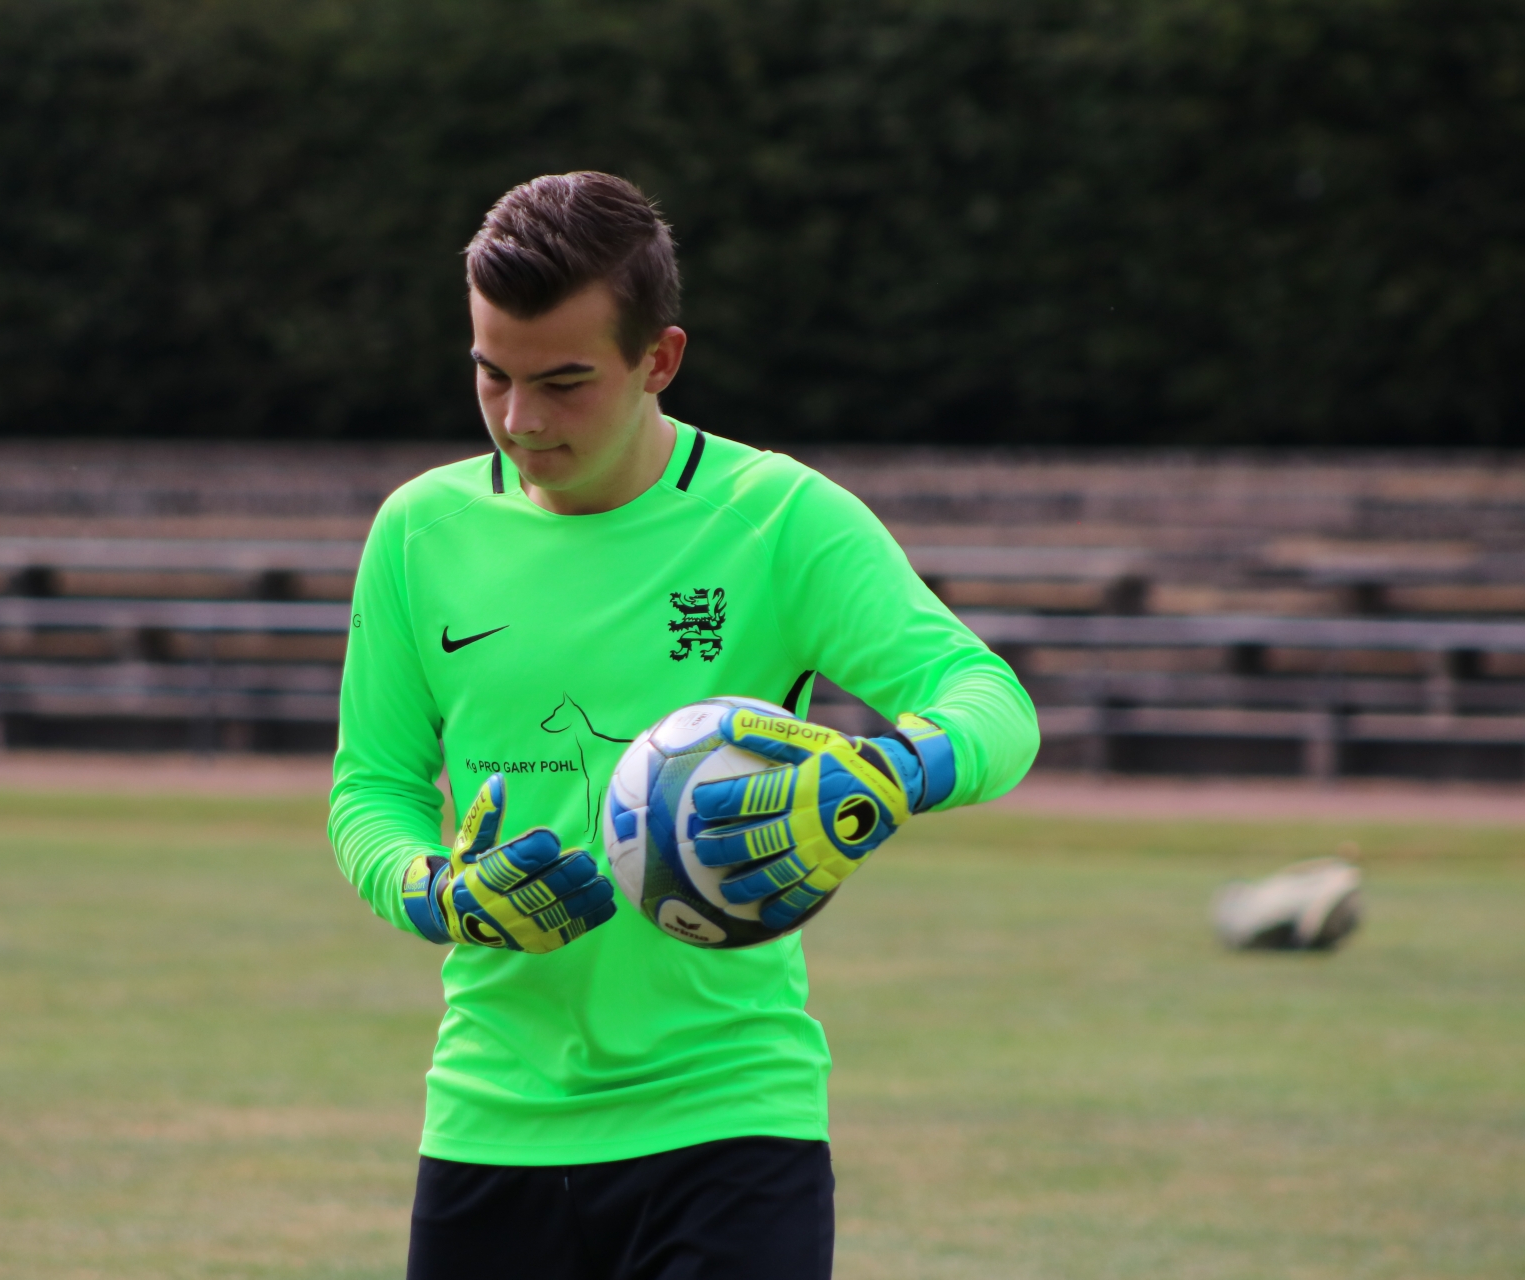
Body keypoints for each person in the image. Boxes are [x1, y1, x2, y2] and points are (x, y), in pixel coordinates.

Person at [329, 172, 1039, 1279]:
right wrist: (433, 889)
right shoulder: (420, 531)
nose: (521, 420)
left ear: (659, 359)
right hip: (489, 1123)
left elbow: (989, 700)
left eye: (565, 382)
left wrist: (891, 771)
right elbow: (371, 788)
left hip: (731, 1123)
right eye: (492, 374)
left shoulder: (778, 518)